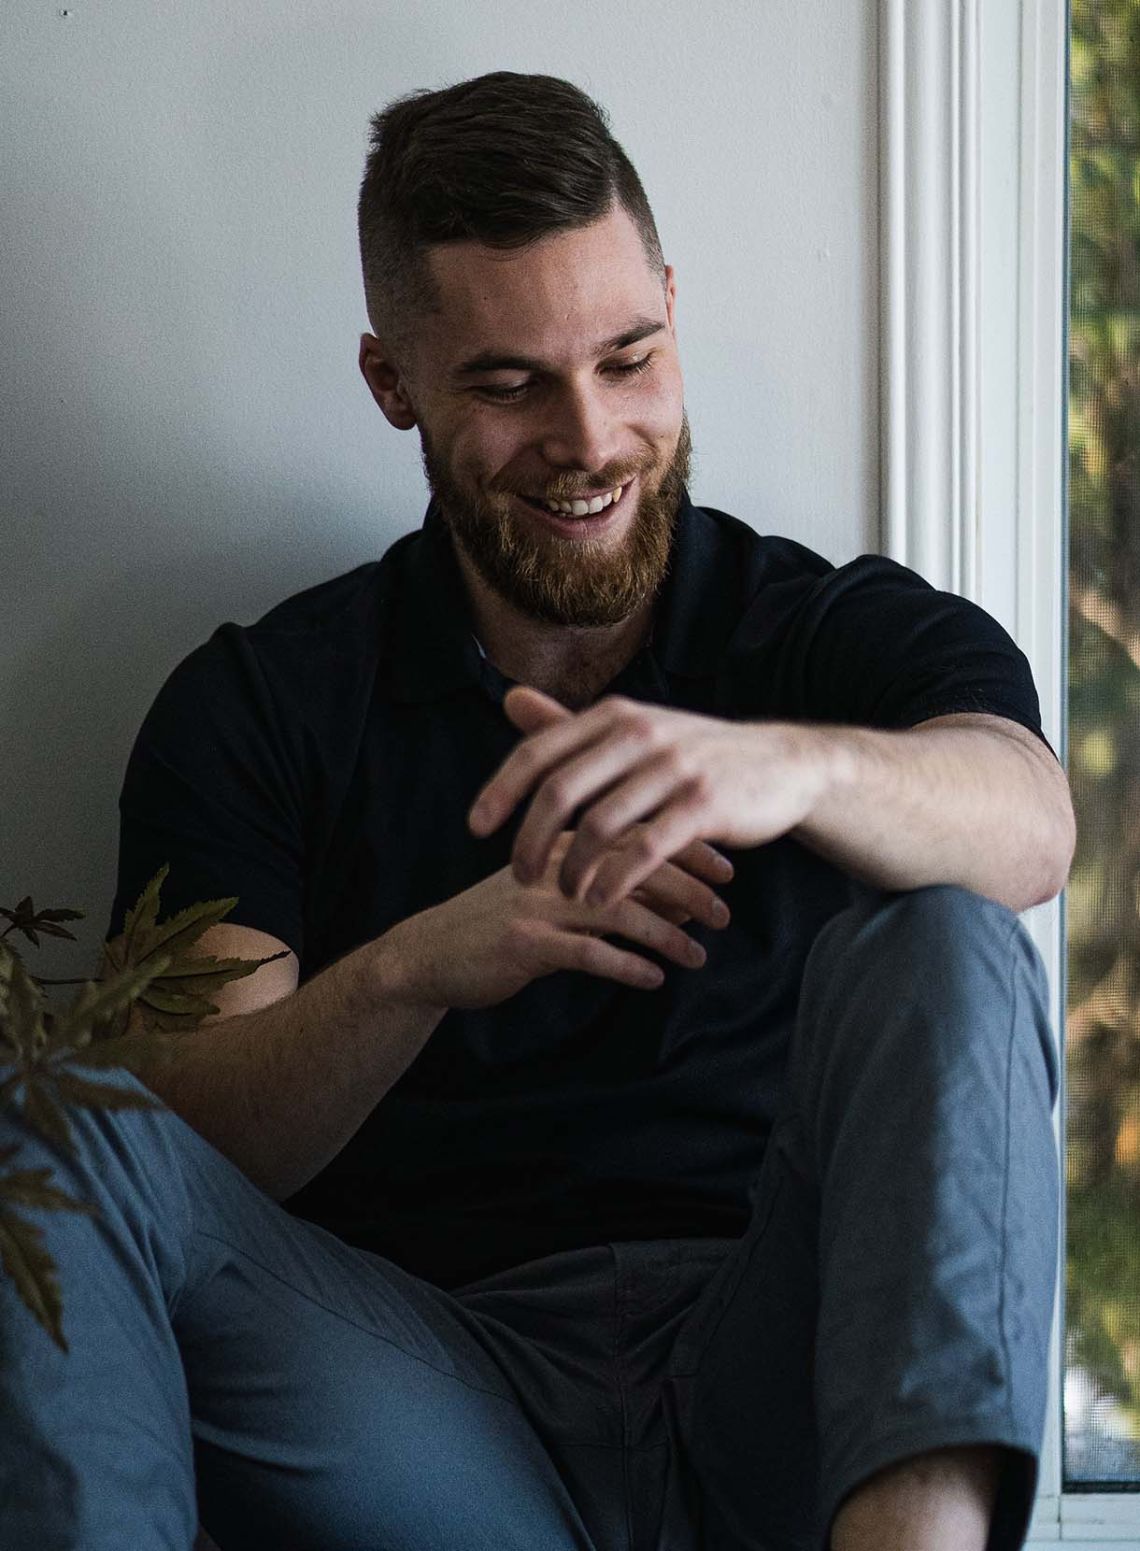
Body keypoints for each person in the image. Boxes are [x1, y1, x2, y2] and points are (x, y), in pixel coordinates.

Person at [1, 71, 1075, 1551]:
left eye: (630, 357)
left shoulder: (832, 634)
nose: (590, 437)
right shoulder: (260, 705)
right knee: (57, 1129)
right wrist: (424, 965)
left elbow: (1032, 830)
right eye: (510, 387)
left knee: (954, 933)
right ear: (393, 383)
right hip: (436, 1397)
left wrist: (794, 769)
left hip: (777, 1371)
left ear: (673, 312)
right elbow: (200, 1134)